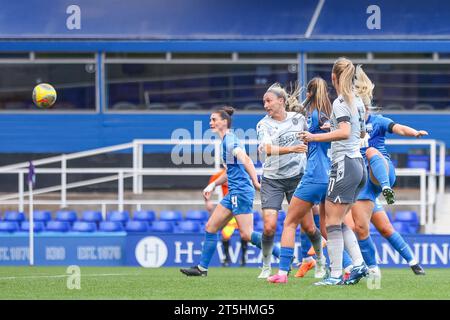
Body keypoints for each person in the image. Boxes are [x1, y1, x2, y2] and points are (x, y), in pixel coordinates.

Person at [180, 106, 279, 276]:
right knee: (211, 227)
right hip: (232, 193)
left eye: (213, 119)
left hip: (240, 192)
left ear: (224, 122)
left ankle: (285, 256)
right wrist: (212, 185)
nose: (210, 122)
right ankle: (202, 268)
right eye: (210, 120)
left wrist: (255, 181)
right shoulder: (226, 140)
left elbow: (246, 159)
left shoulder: (229, 141)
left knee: (246, 234)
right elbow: (229, 171)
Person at [349, 69, 428, 280]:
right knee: (375, 228)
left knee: (371, 151)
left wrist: (414, 133)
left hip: (382, 171)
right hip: (363, 181)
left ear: (365, 106)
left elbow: (398, 127)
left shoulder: (379, 121)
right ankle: (410, 263)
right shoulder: (347, 126)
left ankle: (386, 188)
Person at [299, 58, 368, 286]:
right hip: (358, 165)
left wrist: (315, 136)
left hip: (344, 165)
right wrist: (335, 128)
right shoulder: (357, 101)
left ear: (333, 77)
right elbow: (359, 133)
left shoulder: (340, 101)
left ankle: (337, 274)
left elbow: (347, 132)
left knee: (330, 222)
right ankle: (358, 264)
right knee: (337, 221)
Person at [267, 77, 331, 284]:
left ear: (309, 94)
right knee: (325, 227)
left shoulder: (310, 117)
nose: (266, 105)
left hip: (308, 176)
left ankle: (283, 273)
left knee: (290, 222)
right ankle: (346, 266)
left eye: (269, 101)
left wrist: (309, 138)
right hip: (329, 175)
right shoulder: (326, 115)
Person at [255, 82, 309, 278]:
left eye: (268, 101)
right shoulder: (263, 124)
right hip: (273, 179)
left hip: (298, 177)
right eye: (263, 102)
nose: (265, 105)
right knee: (269, 226)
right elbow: (268, 150)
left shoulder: (299, 119)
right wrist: (292, 149)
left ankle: (317, 261)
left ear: (281, 101)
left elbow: (311, 140)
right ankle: (266, 265)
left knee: (308, 225)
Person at [345, 198, 425, 275]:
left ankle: (413, 262)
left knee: (386, 228)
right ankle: (350, 267)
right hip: (346, 192)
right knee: (349, 229)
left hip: (366, 192)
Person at [204, 168, 248, 267]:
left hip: (241, 206)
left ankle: (244, 257)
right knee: (225, 235)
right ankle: (226, 258)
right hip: (229, 208)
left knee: (245, 234)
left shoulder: (241, 171)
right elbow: (209, 188)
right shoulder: (219, 174)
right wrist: (208, 201)